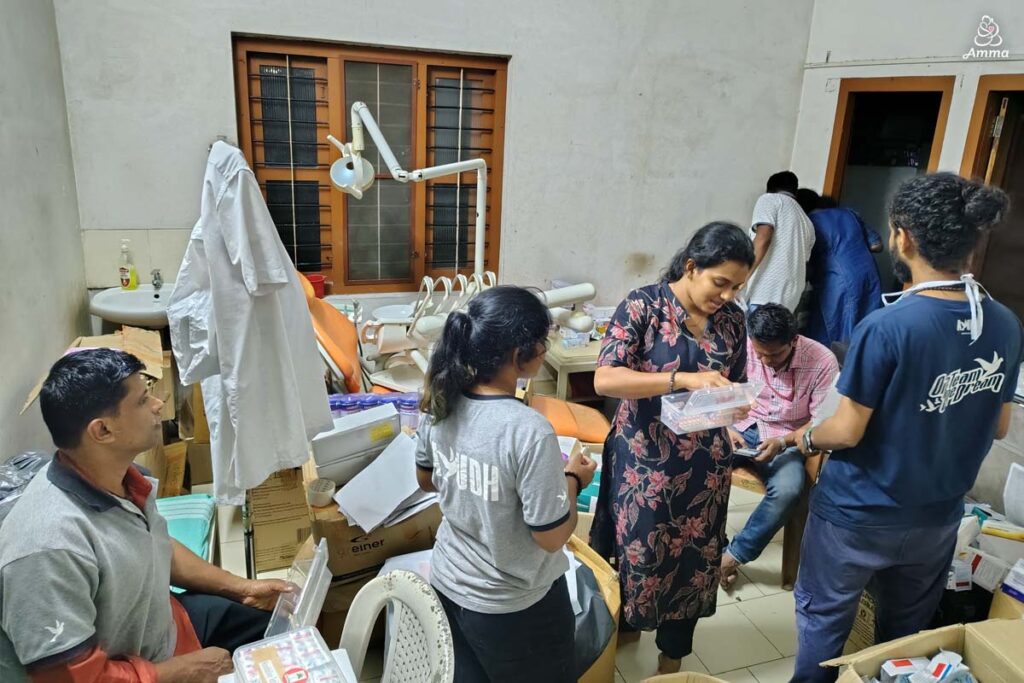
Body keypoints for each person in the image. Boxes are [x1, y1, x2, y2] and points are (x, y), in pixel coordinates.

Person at [789, 173, 1023, 683]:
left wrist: (804, 437)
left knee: (823, 626)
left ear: (904, 237)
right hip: (938, 518)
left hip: (856, 516)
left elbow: (846, 431)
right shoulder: (1004, 323)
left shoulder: (888, 325)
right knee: (902, 642)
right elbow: (1000, 422)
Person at [0, 348, 293, 683]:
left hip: (165, 623)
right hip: (140, 669)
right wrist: (184, 670)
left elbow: (155, 546)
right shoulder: (47, 548)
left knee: (283, 632)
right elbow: (71, 679)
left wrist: (242, 587)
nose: (157, 405)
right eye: (142, 401)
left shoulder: (122, 478)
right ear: (103, 431)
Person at [590, 222, 754, 675]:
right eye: (720, 282)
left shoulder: (732, 320)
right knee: (638, 557)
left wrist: (733, 407)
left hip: (704, 467)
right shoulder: (644, 306)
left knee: (692, 566)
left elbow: (732, 381)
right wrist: (680, 379)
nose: (726, 295)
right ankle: (621, 632)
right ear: (690, 266)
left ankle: (671, 664)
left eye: (737, 287)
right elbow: (606, 378)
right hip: (645, 465)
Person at [415, 286, 597, 683]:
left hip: (448, 583)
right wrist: (572, 479)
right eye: (544, 343)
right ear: (520, 356)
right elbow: (550, 537)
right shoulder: (528, 431)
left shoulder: (440, 400)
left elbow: (427, 479)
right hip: (511, 606)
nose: (546, 350)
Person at [720, 304, 839, 589]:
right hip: (741, 426)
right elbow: (719, 391)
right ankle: (713, 550)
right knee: (700, 470)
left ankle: (733, 556)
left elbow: (820, 421)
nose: (765, 359)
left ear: (793, 340)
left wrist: (783, 442)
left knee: (788, 489)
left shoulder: (821, 361)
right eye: (760, 353)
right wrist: (725, 428)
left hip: (786, 437)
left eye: (774, 354)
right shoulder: (743, 346)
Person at [796, 188, 883, 349]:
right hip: (868, 273)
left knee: (834, 327)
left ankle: (837, 370)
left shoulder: (810, 222)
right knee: (865, 323)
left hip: (837, 279)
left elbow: (805, 262)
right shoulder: (849, 213)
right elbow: (877, 245)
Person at [745, 171, 817, 314]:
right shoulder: (807, 222)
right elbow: (804, 261)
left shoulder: (769, 199)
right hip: (790, 299)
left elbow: (763, 238)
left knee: (750, 335)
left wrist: (742, 276)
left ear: (770, 188)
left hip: (764, 293)